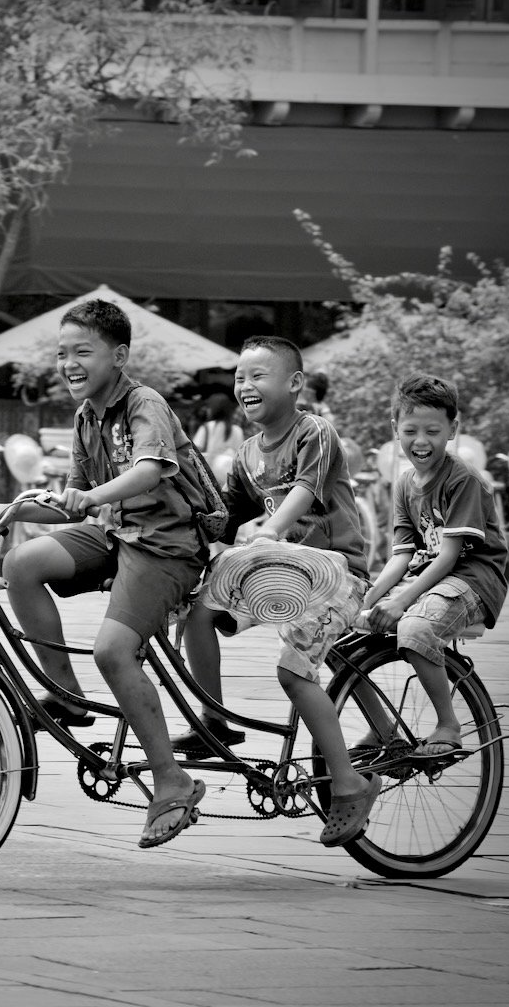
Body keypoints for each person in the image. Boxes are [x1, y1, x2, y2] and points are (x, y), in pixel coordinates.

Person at [0, 298, 211, 850]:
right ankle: (65, 693)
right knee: (23, 562)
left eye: (81, 352)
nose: (68, 363)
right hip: (117, 535)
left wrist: (88, 496)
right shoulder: (86, 416)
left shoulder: (145, 404)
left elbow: (150, 469)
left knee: (114, 651)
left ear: (118, 355)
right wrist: (13, 510)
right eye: (61, 353)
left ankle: (172, 783)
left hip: (167, 545)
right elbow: (76, 503)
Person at [178, 335, 380, 847]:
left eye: (258, 375)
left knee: (295, 671)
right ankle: (214, 720)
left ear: (294, 384)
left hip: (335, 573)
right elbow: (226, 519)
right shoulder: (245, 454)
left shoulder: (315, 432)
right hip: (280, 573)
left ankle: (350, 784)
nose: (245, 385)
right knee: (197, 611)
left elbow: (305, 489)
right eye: (239, 377)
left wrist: (271, 530)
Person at [360, 373, 507, 758]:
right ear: (396, 429)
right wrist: (371, 597)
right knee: (341, 631)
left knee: (415, 625)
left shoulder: (463, 480)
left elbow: (449, 555)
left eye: (432, 431)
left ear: (452, 429)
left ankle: (447, 724)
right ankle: (381, 730)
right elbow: (402, 554)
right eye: (410, 431)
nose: (420, 441)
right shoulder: (405, 482)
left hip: (471, 580)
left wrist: (400, 602)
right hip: (427, 579)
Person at [193, 392, 245, 479]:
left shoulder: (207, 427)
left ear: (212, 409)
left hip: (210, 475)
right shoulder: (237, 430)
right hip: (229, 476)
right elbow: (240, 457)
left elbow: (195, 452)